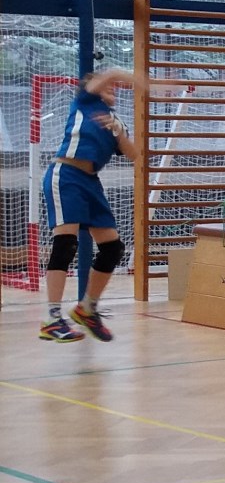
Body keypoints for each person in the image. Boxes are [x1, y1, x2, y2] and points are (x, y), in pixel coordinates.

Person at [39, 68, 143, 343]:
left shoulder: (114, 120)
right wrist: (143, 82)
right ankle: (52, 319)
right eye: (107, 86)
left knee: (113, 248)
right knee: (65, 244)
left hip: (91, 182)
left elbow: (134, 154)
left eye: (114, 87)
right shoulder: (85, 102)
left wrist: (118, 132)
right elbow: (111, 74)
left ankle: (86, 309)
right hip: (66, 175)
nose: (112, 88)